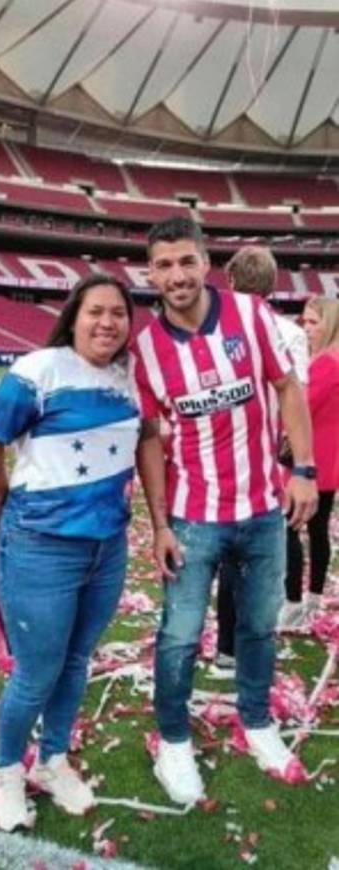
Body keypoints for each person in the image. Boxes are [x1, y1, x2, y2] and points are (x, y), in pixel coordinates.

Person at [132, 216, 317, 805]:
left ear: (206, 262)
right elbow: (150, 439)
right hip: (192, 516)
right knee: (180, 635)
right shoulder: (146, 349)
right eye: (163, 265)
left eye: (186, 261)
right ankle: (174, 740)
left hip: (263, 507)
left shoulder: (250, 314)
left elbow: (288, 388)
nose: (176, 275)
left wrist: (304, 472)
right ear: (151, 273)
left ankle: (258, 721)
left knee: (259, 626)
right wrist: (159, 523)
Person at [0, 274, 140, 832]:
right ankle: (6, 774)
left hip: (107, 547)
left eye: (118, 313)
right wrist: (0, 494)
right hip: (41, 546)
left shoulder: (129, 378)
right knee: (36, 671)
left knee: (75, 660)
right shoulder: (38, 369)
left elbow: (147, 441)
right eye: (96, 311)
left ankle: (52, 759)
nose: (107, 322)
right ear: (75, 316)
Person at [216, 246, 309, 649]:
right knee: (266, 549)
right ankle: (260, 635)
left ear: (232, 281)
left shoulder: (213, 329)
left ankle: (226, 647)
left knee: (228, 553)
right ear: (273, 284)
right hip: (270, 456)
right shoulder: (291, 333)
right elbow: (297, 395)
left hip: (224, 455)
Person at [281, 296, 339, 622]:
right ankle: (313, 598)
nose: (306, 328)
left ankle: (293, 603)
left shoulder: (325, 363)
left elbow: (299, 411)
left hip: (311, 461)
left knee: (289, 527)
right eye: (304, 321)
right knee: (317, 531)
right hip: (327, 461)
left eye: (314, 322)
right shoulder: (329, 359)